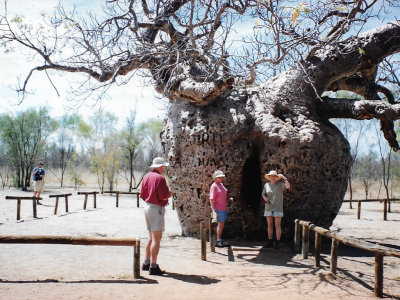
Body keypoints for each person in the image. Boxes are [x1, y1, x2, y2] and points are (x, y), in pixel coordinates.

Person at [140, 157, 172, 275]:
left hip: (147, 206)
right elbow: (164, 196)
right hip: (156, 208)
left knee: (151, 237)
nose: (164, 168)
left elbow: (142, 194)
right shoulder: (160, 178)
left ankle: (146, 262)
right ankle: (153, 266)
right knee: (157, 238)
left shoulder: (146, 176)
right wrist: (172, 193)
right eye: (163, 166)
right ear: (160, 167)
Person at [262, 170, 290, 249]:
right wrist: (265, 197)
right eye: (271, 176)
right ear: (269, 177)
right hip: (269, 207)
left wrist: (284, 178)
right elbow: (263, 194)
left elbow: (288, 186)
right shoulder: (266, 185)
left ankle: (277, 242)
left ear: (276, 177)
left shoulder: (280, 184)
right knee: (269, 225)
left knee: (277, 225)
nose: (272, 177)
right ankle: (270, 241)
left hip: (278, 207)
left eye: (274, 176)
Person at [210, 170, 233, 248]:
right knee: (220, 224)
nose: (221, 178)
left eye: (222, 177)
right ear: (215, 178)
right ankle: (218, 240)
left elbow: (222, 196)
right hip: (218, 208)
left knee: (222, 224)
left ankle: (219, 239)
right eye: (219, 177)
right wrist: (213, 210)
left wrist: (228, 199)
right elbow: (212, 198)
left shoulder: (221, 185)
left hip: (223, 208)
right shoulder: (214, 186)